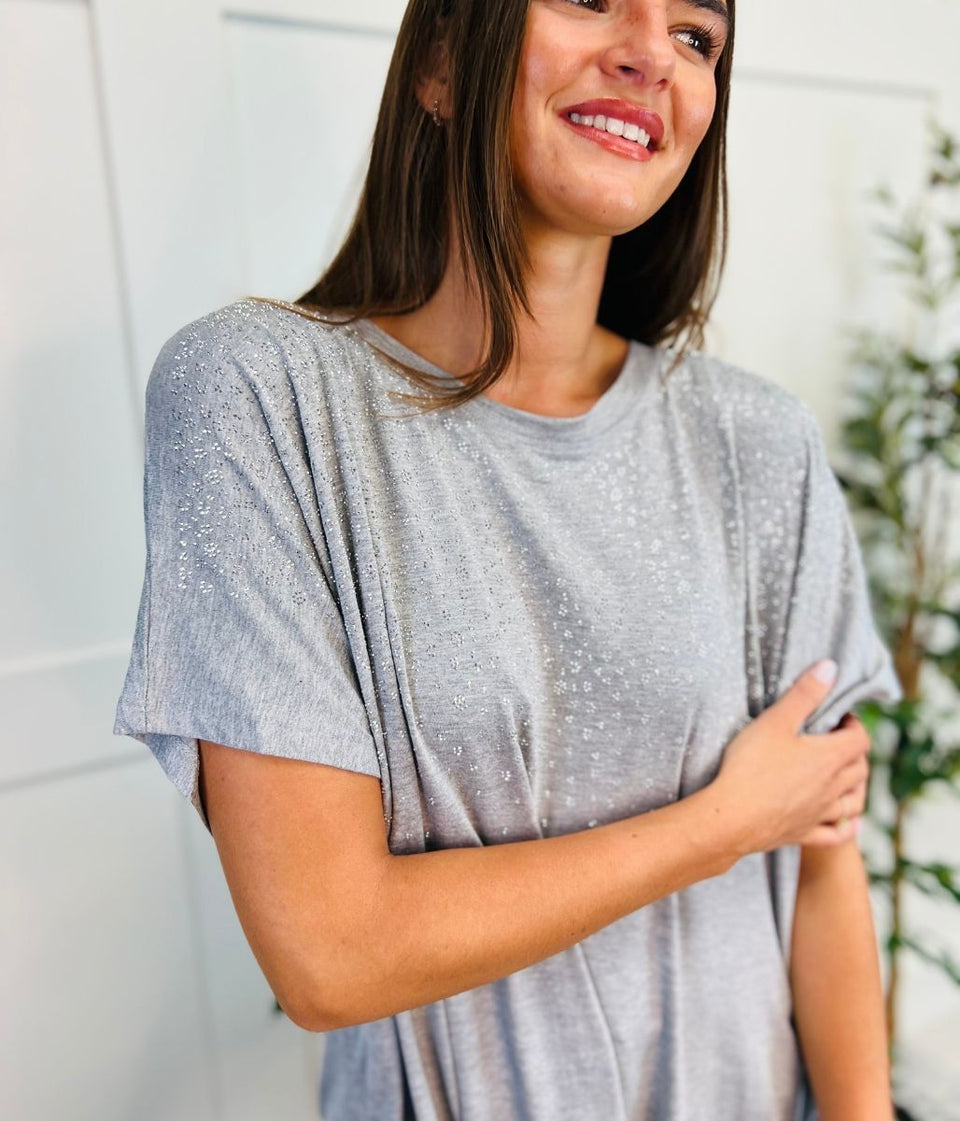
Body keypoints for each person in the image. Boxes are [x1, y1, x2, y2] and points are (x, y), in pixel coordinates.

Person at [113, 1, 904, 1118]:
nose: (648, 54)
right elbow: (331, 955)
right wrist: (727, 821)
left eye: (696, 35)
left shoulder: (756, 440)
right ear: (440, 60)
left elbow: (824, 868)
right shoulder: (261, 399)